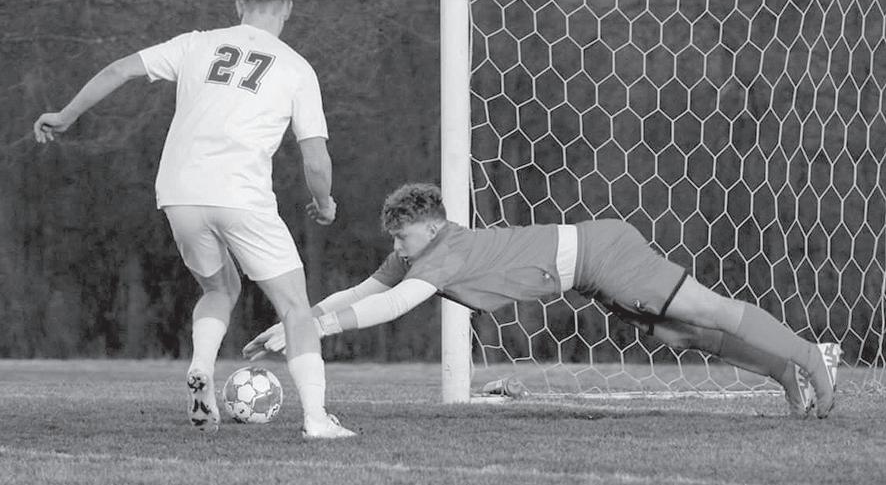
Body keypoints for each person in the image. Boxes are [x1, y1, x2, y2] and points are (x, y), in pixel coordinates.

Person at [33, 0, 354, 438]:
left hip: (179, 192)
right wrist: (323, 202)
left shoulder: (197, 44)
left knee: (219, 289)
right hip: (241, 194)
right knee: (294, 308)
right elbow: (316, 158)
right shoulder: (296, 67)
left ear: (239, 4)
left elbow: (119, 69)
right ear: (286, 7)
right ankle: (316, 419)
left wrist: (65, 115)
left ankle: (202, 365)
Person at [243, 183, 841, 418]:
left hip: (603, 254)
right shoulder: (416, 254)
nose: (396, 248)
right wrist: (298, 319)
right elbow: (364, 292)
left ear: (430, 227)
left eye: (402, 236)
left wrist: (319, 330)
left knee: (707, 311)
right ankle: (783, 372)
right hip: (586, 271)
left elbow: (394, 307)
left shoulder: (445, 250)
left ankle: (808, 355)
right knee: (679, 334)